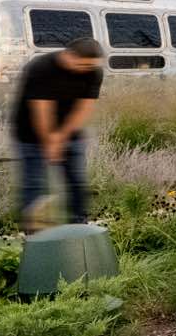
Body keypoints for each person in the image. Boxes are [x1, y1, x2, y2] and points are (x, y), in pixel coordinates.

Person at [11, 37, 106, 230]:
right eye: (83, 64)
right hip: (30, 134)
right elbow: (42, 109)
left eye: (91, 66)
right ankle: (35, 233)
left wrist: (61, 136)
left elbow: (84, 107)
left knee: (76, 181)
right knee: (34, 183)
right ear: (69, 56)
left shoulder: (93, 71)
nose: (87, 69)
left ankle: (79, 226)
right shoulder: (41, 68)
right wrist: (50, 142)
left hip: (69, 132)